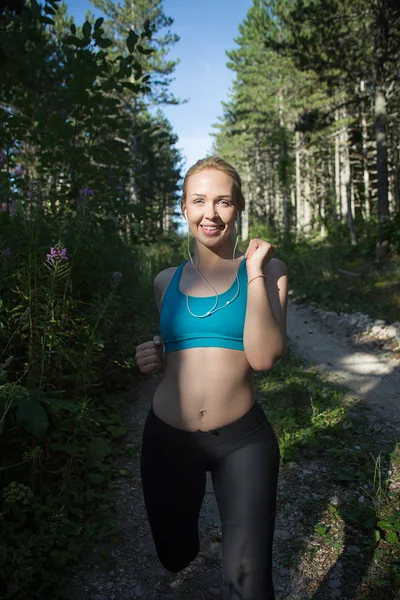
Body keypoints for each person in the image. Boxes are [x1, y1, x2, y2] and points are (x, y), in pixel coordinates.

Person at [135, 156, 288, 600]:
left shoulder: (270, 272)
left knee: (247, 578)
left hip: (243, 441)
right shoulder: (166, 280)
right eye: (199, 201)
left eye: (223, 201)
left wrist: (255, 271)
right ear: (183, 208)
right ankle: (183, 548)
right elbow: (183, 347)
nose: (211, 213)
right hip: (167, 437)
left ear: (238, 208)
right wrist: (157, 357)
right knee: (175, 555)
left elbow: (262, 357)